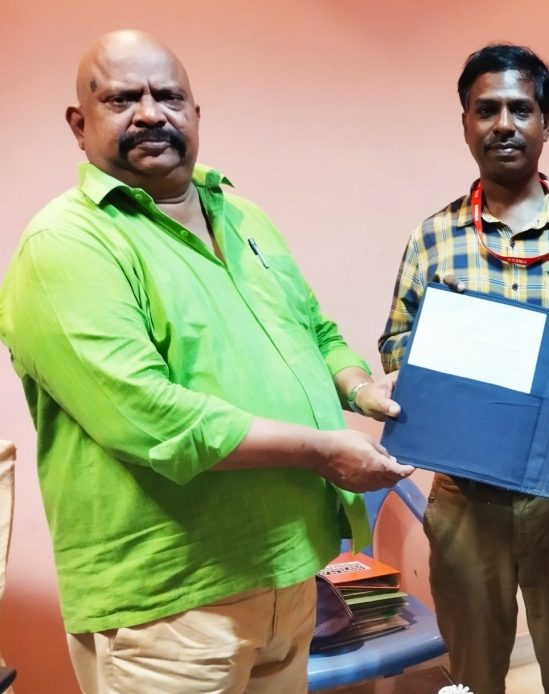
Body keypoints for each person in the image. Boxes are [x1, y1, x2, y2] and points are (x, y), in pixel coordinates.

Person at [0, 30, 412, 693]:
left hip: (291, 571)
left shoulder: (243, 216)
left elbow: (314, 329)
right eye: (122, 99)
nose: (149, 114)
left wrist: (361, 388)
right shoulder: (66, 244)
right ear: (79, 124)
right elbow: (150, 417)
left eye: (168, 96)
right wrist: (322, 452)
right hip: (173, 604)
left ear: (195, 112)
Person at [379, 44, 549, 694]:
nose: (504, 124)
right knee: (472, 677)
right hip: (466, 496)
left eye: (521, 109)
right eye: (487, 109)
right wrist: (449, 345)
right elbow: (394, 347)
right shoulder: (433, 237)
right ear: (466, 122)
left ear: (545, 123)